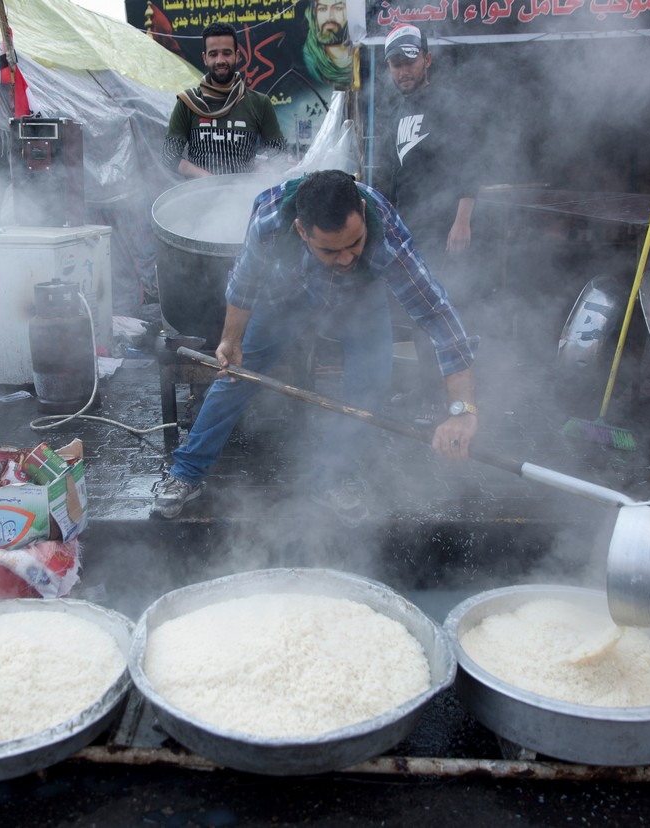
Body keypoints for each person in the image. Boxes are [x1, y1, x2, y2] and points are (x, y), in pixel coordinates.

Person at [151, 169, 479, 527]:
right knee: (236, 376)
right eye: (331, 249)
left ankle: (333, 478)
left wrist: (462, 409)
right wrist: (231, 340)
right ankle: (187, 472)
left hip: (359, 299)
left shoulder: (386, 239)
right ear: (302, 231)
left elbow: (437, 315)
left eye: (355, 243)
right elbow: (245, 282)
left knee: (370, 382)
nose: (346, 258)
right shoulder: (270, 220)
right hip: (286, 293)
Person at [376, 24, 481, 414]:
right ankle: (426, 394)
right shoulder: (396, 112)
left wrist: (462, 220)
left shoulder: (448, 103)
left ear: (427, 59)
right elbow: (392, 176)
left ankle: (453, 398)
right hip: (409, 230)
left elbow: (473, 162)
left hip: (444, 229)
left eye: (409, 61)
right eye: (395, 64)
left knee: (443, 312)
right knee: (418, 316)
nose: (403, 70)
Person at [163, 22, 286, 178]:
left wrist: (264, 170)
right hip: (199, 196)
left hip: (243, 197)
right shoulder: (187, 102)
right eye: (213, 54)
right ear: (205, 58)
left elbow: (279, 155)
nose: (220, 60)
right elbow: (169, 155)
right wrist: (205, 177)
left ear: (237, 55)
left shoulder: (259, 103)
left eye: (226, 53)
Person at [302, 0, 352, 88]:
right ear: (314, 14)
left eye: (338, 8)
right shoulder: (309, 59)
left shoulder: (362, 54)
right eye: (322, 9)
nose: (329, 17)